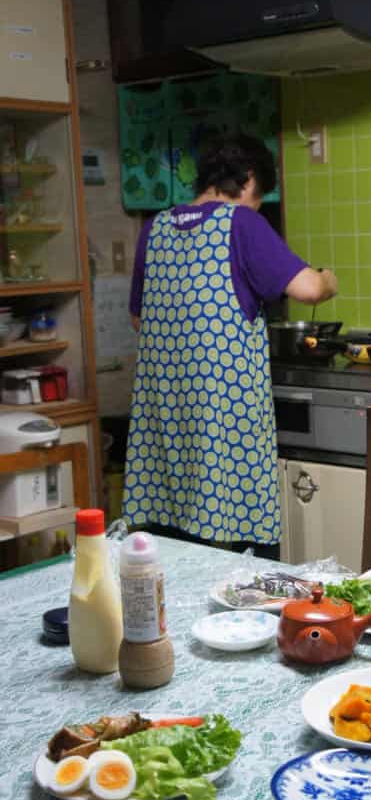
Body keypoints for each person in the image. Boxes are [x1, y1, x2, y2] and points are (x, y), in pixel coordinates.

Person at [122, 132, 337, 559]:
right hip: (227, 427)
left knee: (177, 556)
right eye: (261, 197)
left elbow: (139, 318)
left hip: (169, 429)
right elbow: (309, 288)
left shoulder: (155, 229)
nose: (259, 206)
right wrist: (329, 277)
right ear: (249, 180)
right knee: (246, 561)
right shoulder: (241, 222)